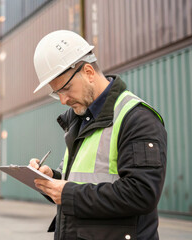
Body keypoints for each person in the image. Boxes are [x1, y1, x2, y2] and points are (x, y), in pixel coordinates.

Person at [29, 30, 167, 240]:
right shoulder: (80, 119)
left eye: (65, 89)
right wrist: (52, 180)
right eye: (57, 93)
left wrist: (67, 193)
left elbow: (142, 194)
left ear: (89, 72)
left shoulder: (137, 118)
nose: (63, 100)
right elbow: (80, 180)